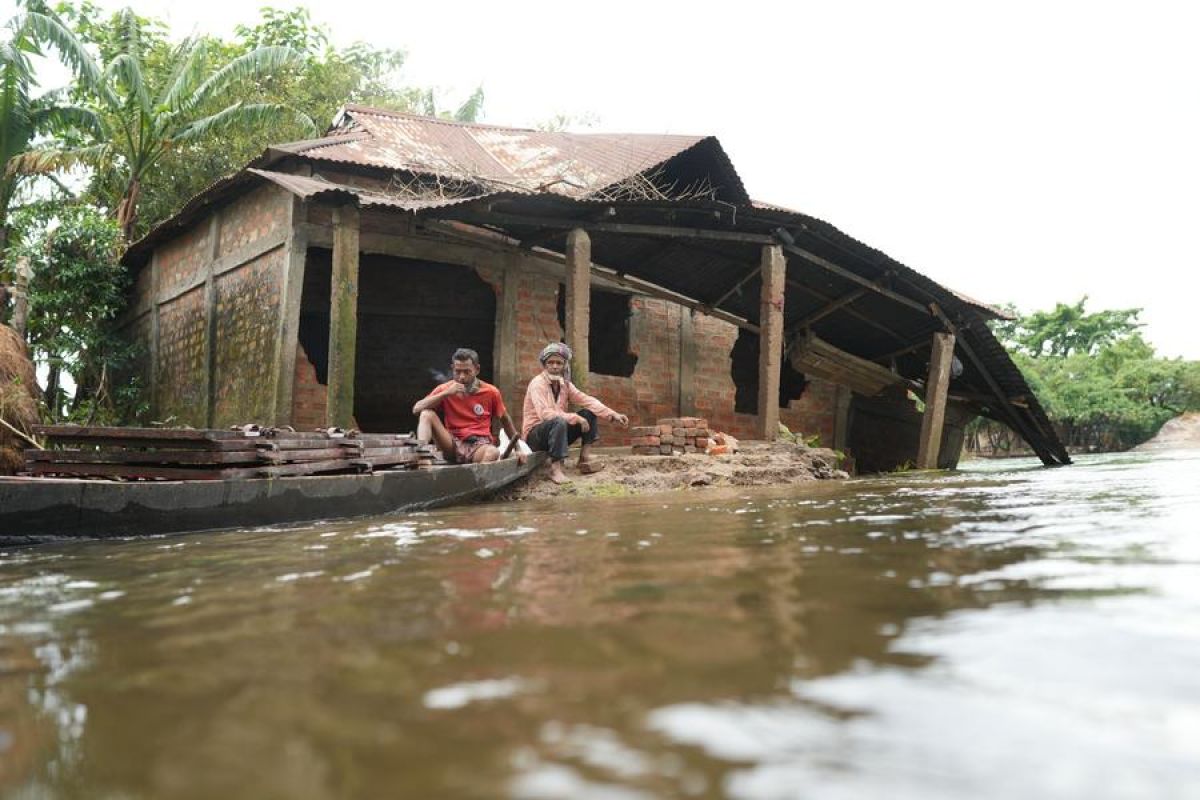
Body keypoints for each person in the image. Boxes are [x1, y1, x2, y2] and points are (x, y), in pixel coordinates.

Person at [523, 342, 629, 484]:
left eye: (559, 363)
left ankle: (584, 458)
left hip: (556, 432)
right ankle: (555, 470)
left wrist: (613, 414)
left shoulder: (565, 384)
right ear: (545, 365)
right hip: (535, 436)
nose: (554, 366)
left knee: (588, 413)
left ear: (564, 366)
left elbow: (586, 400)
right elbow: (544, 414)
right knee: (559, 420)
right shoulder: (537, 383)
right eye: (550, 362)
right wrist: (574, 417)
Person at [413, 348, 523, 465]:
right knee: (427, 414)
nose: (461, 377)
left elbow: (505, 420)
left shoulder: (491, 392)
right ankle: (422, 457)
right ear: (452, 369)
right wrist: (445, 394)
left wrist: (518, 449)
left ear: (477, 369)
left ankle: (478, 479)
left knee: (493, 452)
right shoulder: (446, 389)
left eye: (467, 372)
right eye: (457, 371)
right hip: (452, 445)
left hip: (478, 445)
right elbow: (417, 409)